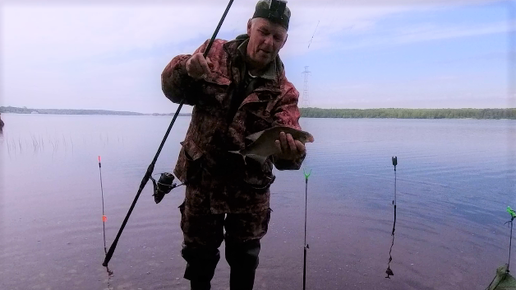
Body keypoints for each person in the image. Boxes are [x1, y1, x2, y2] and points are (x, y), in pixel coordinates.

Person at [161, 0, 310, 289]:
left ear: (284, 41)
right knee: (199, 257)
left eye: (276, 37)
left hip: (249, 190)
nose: (268, 42)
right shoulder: (213, 53)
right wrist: (185, 70)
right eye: (263, 31)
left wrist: (293, 154)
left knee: (244, 260)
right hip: (202, 178)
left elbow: (288, 146)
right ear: (250, 27)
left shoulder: (285, 92)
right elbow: (172, 90)